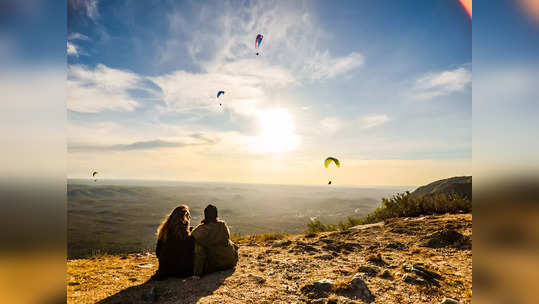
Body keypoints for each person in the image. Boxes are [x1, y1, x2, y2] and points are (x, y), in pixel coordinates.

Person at [191, 204, 238, 277]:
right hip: (231, 262)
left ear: (205, 215)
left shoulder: (201, 229)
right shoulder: (222, 225)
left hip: (215, 265)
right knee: (229, 242)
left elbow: (192, 236)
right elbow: (226, 238)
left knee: (199, 247)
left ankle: (197, 274)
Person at [151, 205, 194, 280]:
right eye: (189, 216)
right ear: (185, 218)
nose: (190, 217)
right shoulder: (184, 234)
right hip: (182, 272)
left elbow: (158, 252)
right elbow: (190, 251)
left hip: (165, 270)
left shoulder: (164, 231)